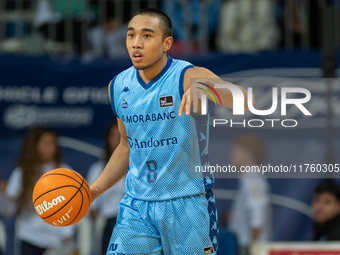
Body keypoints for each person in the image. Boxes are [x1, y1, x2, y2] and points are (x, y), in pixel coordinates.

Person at [89, 8, 253, 255]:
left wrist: (207, 89)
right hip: (137, 206)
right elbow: (126, 146)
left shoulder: (187, 75)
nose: (136, 43)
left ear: (167, 43)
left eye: (146, 36)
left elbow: (246, 99)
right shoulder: (118, 85)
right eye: (131, 35)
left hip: (187, 202)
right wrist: (94, 190)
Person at [0, 126, 76, 255]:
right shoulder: (21, 174)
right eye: (45, 143)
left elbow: (73, 206)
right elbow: (8, 211)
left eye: (53, 143)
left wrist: (67, 232)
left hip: (57, 240)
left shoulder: (65, 172)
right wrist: (4, 195)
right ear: (34, 146)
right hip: (29, 237)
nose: (50, 147)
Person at [228, 134, 272, 255]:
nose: (231, 156)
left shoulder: (253, 180)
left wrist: (252, 246)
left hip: (249, 249)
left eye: (235, 151)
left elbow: (258, 214)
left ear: (247, 154)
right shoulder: (247, 179)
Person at [86, 121, 125, 255]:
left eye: (121, 135)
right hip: (108, 224)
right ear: (107, 139)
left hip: (132, 222)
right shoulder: (97, 169)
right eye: (114, 135)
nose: (118, 140)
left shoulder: (137, 168)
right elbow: (91, 205)